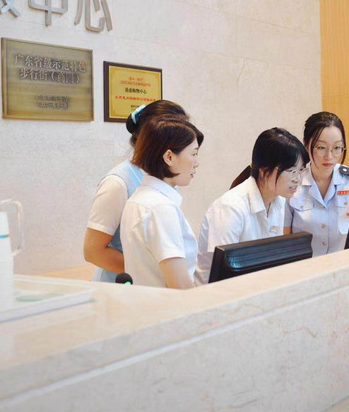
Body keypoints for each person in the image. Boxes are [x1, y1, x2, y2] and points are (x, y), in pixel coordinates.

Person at [84, 101, 188, 282]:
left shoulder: (166, 176)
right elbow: (93, 251)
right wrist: (151, 273)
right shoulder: (117, 183)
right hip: (119, 288)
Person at [195, 128, 309, 284]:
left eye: (301, 170)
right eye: (291, 171)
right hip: (218, 292)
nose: (298, 179)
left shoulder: (279, 201)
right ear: (264, 171)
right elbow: (224, 272)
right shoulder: (230, 207)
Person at [121, 115, 204, 289]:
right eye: (194, 154)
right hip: (167, 303)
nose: (197, 163)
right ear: (169, 157)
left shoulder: (139, 199)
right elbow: (180, 285)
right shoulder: (160, 208)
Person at [284, 112, 349, 256]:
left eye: (337, 148)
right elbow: (284, 242)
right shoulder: (292, 183)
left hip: (345, 265)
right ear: (306, 144)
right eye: (321, 147)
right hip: (305, 267)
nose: (329, 156)